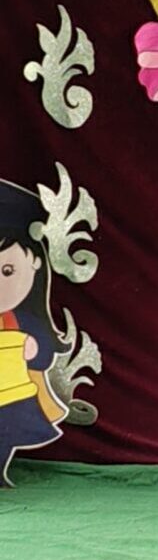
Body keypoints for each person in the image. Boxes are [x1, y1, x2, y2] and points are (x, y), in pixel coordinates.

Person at [0, 180, 67, 488]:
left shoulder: (26, 320)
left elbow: (44, 355)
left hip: (13, 397)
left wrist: (33, 348)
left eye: (7, 271)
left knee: (6, 430)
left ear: (35, 262)